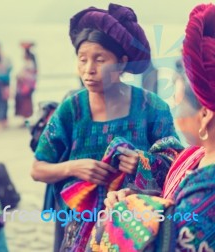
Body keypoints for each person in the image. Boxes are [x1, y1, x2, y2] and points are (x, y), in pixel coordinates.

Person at [30, 3, 179, 251]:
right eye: (82, 59)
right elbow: (37, 168)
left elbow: (175, 162)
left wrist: (143, 162)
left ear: (121, 63)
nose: (88, 70)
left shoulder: (152, 107)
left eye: (100, 60)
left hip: (134, 229)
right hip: (76, 226)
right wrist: (74, 167)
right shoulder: (71, 109)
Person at [91, 4, 215, 250]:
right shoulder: (196, 159)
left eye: (178, 100)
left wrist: (125, 216)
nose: (175, 107)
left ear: (204, 115)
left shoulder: (207, 193)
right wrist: (140, 204)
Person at [15, 42, 37, 126]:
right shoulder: (32, 63)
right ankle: (26, 120)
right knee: (26, 104)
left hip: (26, 86)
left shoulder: (29, 64)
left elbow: (26, 75)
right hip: (27, 86)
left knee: (26, 104)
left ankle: (26, 120)